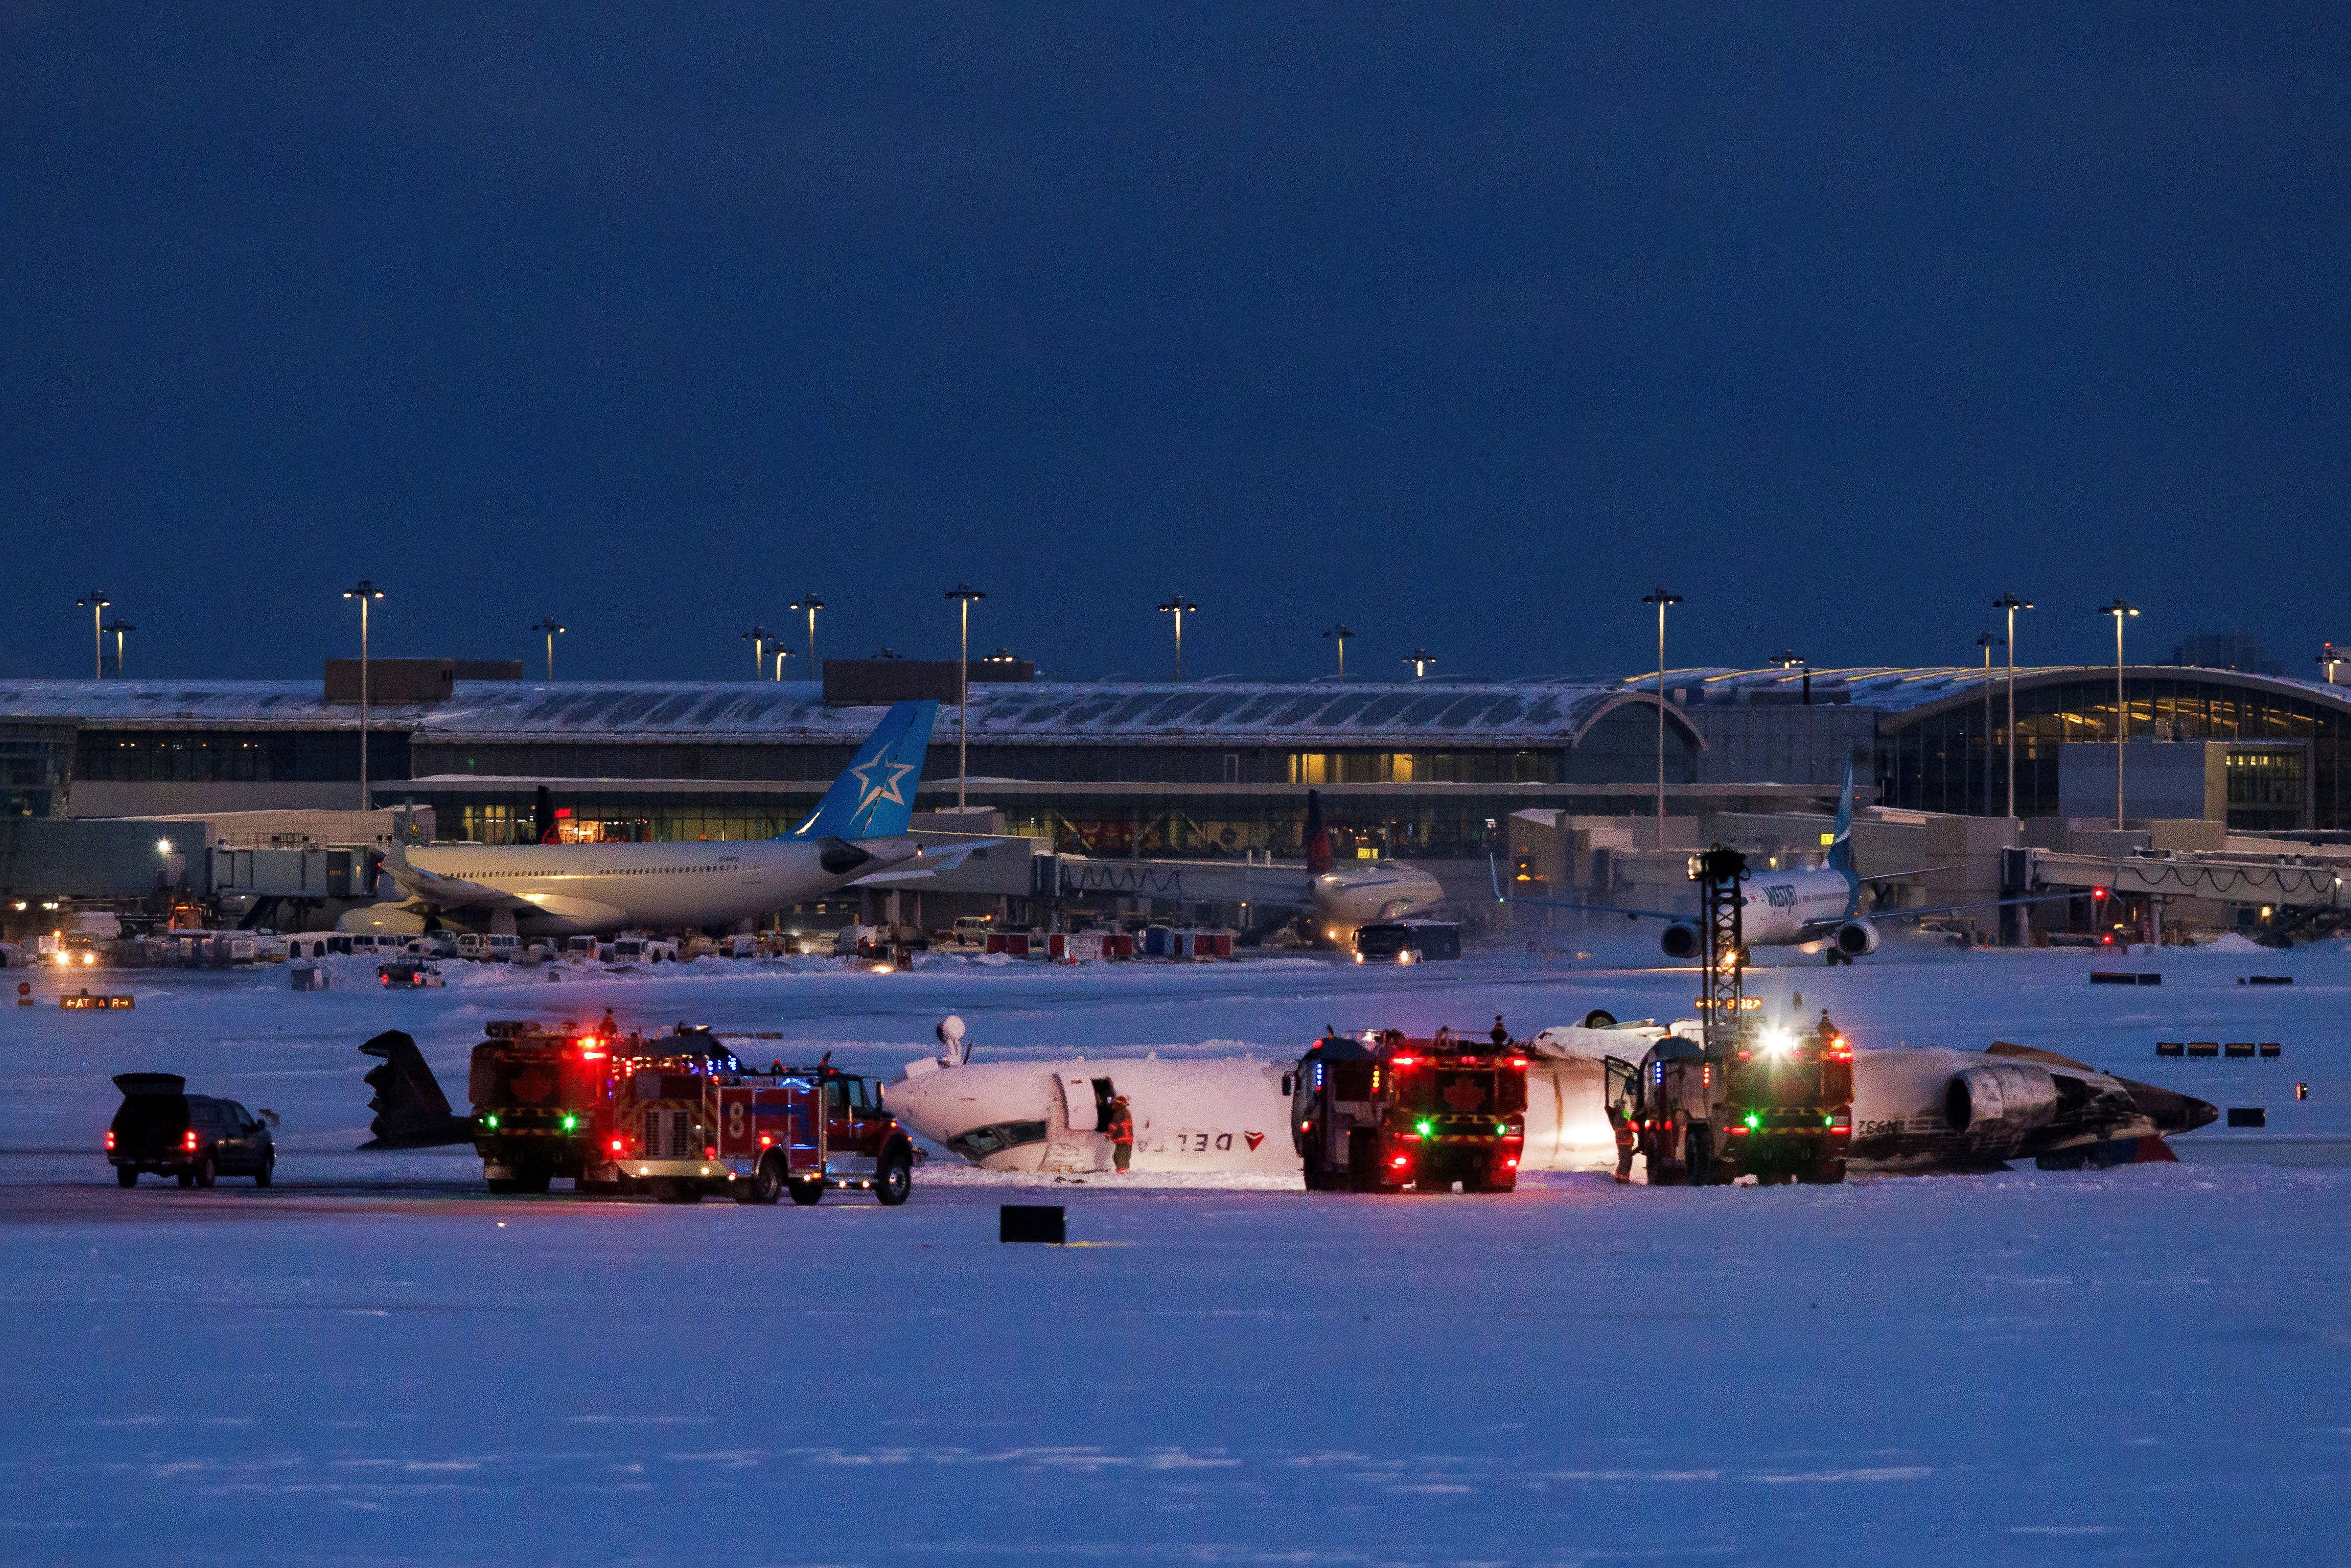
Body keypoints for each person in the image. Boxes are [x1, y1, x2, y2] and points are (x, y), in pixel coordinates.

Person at [1104, 1094, 1135, 1173]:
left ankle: (1122, 1172)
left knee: (1118, 1156)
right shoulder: (1127, 1113)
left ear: (1119, 1104)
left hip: (1122, 1139)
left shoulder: (1119, 1113)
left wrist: (1109, 1135)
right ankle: (1124, 1170)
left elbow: (1114, 1125)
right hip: (1129, 1139)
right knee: (1125, 1156)